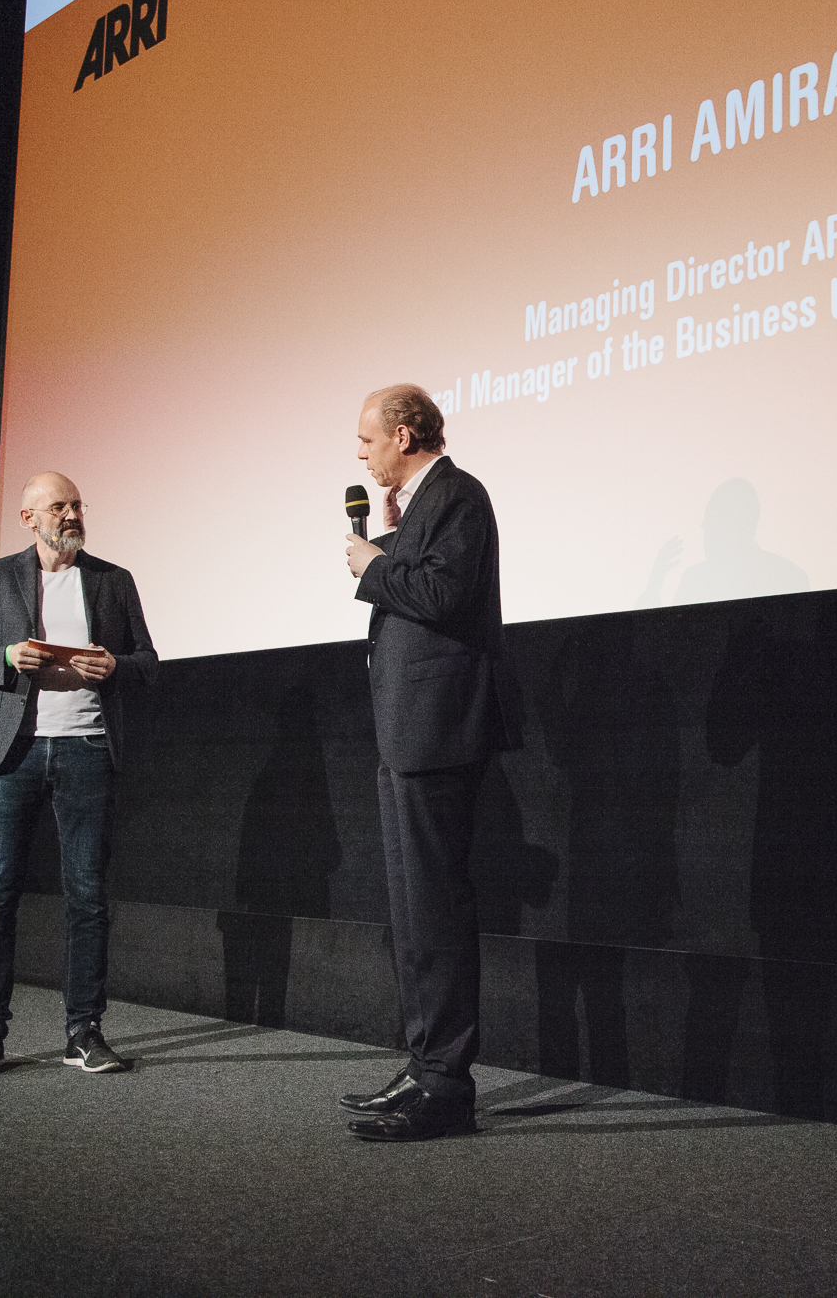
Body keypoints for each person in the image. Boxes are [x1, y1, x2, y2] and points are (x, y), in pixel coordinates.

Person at [338, 384, 521, 1141]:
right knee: (414, 910)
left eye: (368, 440)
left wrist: (372, 564)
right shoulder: (417, 506)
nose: (361, 454)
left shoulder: (458, 495)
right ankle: (424, 1066)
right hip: (407, 733)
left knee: (436, 908)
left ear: (405, 435)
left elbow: (444, 594)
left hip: (438, 730)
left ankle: (446, 1085)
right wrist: (388, 549)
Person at [0, 472, 158, 1077]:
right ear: (28, 518)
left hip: (86, 749)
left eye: (76, 504)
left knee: (87, 897)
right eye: (58, 506)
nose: (71, 514)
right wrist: (6, 657)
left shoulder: (112, 580)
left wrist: (116, 666)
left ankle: (84, 1032)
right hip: (11, 757)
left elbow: (148, 662)